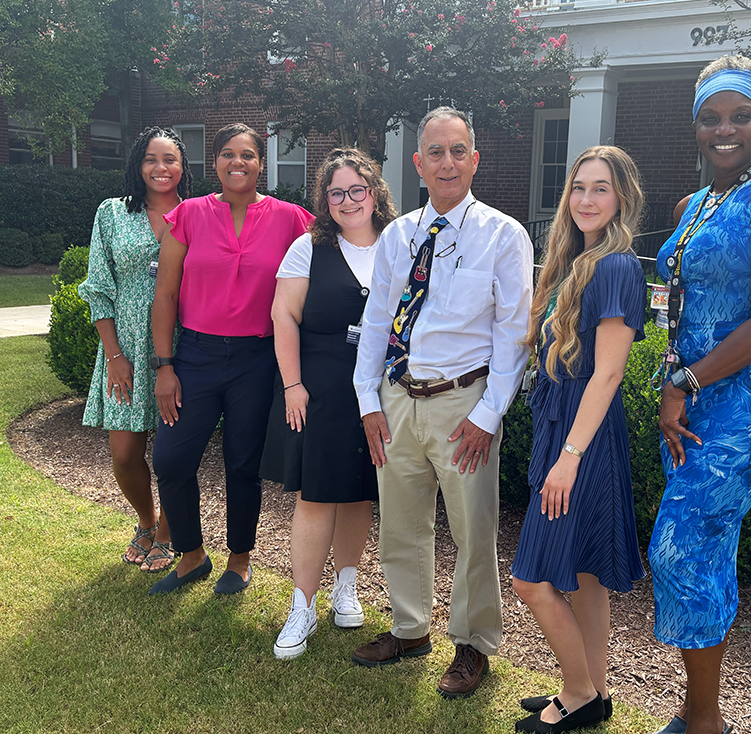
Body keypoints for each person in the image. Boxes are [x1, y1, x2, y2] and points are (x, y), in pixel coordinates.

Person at [647, 55, 751, 734]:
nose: (724, 129)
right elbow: (677, 299)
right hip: (691, 398)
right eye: (710, 117)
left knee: (678, 547)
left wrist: (683, 381)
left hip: (750, 398)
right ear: (695, 125)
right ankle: (694, 712)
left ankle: (706, 723)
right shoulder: (691, 205)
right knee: (705, 547)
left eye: (739, 115)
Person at [350, 107, 533, 698]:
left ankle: (473, 645)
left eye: (459, 151)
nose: (448, 162)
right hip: (398, 398)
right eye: (437, 152)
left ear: (474, 160)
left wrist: (489, 412)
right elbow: (377, 321)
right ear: (418, 162)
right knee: (401, 524)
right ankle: (409, 629)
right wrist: (367, 399)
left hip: (465, 405)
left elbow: (513, 335)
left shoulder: (505, 236)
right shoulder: (399, 235)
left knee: (474, 533)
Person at [510, 146, 647, 734]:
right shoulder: (578, 261)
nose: (587, 200)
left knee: (530, 579)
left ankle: (577, 692)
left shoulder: (615, 265)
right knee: (586, 574)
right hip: (565, 432)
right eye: (579, 188)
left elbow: (608, 373)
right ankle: (596, 688)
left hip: (581, 442)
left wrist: (568, 457)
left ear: (622, 198)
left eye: (602, 189)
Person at [148, 123, 314, 596]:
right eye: (226, 154)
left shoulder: (290, 219)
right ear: (214, 162)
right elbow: (164, 296)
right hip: (195, 356)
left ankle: (239, 559)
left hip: (258, 360)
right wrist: (165, 365)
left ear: (261, 163)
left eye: (247, 155)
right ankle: (192, 554)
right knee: (171, 460)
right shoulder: (189, 215)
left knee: (243, 464)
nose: (236, 162)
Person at [264, 148, 398, 658]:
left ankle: (346, 587)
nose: (348, 201)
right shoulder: (308, 248)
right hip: (319, 386)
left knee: (360, 490)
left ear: (374, 192)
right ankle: (303, 605)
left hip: (382, 391)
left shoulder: (398, 243)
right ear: (325, 199)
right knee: (316, 494)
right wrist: (293, 385)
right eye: (336, 192)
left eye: (357, 190)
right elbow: (284, 317)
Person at [79, 127, 192, 574]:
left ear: (183, 167)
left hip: (181, 345)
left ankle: (167, 531)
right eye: (151, 159)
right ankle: (145, 521)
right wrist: (114, 354)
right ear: (137, 164)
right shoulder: (112, 213)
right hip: (124, 345)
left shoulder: (196, 214)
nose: (160, 168)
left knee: (174, 452)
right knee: (125, 454)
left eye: (170, 160)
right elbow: (99, 286)